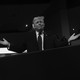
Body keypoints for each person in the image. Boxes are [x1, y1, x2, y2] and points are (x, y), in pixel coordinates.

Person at [0, 16, 80, 53]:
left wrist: (69, 40)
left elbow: (59, 45)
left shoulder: (52, 36)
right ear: (33, 26)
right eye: (37, 22)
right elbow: (21, 48)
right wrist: (8, 44)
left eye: (41, 22)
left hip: (49, 65)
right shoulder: (28, 37)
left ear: (44, 24)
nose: (39, 23)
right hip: (34, 66)